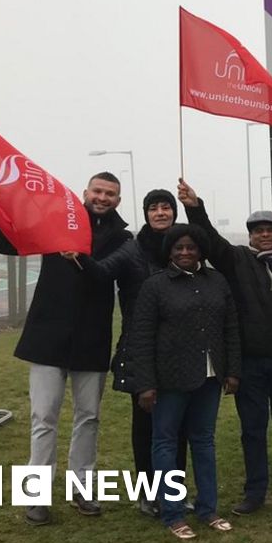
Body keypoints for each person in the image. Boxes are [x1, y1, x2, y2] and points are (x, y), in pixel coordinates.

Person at [0, 172, 132, 526]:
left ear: (118, 200)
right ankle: (35, 496)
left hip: (92, 339)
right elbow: (10, 244)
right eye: (98, 191)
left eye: (110, 194)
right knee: (43, 418)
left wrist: (79, 258)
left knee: (89, 417)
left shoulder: (123, 238)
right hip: (48, 337)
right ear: (86, 192)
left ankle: (81, 489)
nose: (102, 197)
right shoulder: (56, 221)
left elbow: (105, 274)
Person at [178, 179, 272, 515]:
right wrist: (195, 208)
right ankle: (255, 492)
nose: (264, 235)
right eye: (258, 231)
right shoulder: (237, 260)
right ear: (250, 235)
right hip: (249, 363)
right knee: (253, 431)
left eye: (270, 230)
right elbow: (210, 241)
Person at [77, 189, 188, 517]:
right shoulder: (133, 249)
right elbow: (101, 272)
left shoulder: (184, 248)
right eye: (154, 208)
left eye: (166, 207)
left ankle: (174, 491)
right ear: (146, 213)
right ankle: (148, 493)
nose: (160, 213)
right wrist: (79, 256)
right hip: (141, 349)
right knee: (146, 426)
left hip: (179, 350)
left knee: (178, 427)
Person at [129, 224, 241, 540]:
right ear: (169, 252)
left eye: (191, 247)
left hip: (210, 377)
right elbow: (141, 337)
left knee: (204, 442)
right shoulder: (155, 286)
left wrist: (233, 371)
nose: (185, 252)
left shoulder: (217, 281)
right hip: (169, 380)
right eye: (178, 247)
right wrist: (145, 384)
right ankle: (173, 513)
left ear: (200, 250)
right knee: (164, 444)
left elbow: (231, 328)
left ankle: (208, 509)